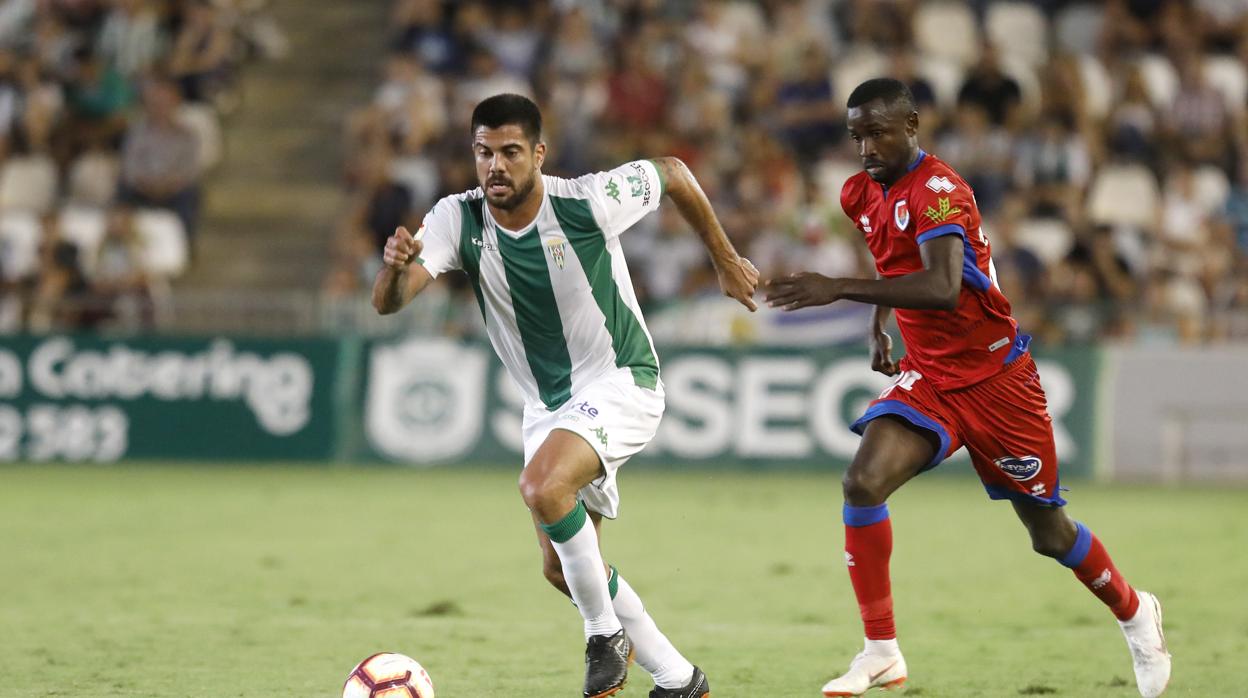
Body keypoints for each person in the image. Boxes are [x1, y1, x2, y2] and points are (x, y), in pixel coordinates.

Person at [763, 79, 1171, 698]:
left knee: (1048, 534)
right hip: (931, 376)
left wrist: (840, 289)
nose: (866, 148)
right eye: (856, 136)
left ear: (912, 124)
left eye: (877, 132)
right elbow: (891, 260)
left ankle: (1136, 612)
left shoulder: (941, 190)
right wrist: (881, 322)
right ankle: (881, 652)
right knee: (862, 481)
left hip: (996, 381)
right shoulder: (859, 192)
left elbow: (942, 287)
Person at [372, 93, 758, 698]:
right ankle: (678, 677)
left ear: (539, 155)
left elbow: (676, 174)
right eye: (483, 153)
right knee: (563, 569)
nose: (494, 166)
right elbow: (389, 303)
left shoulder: (586, 201)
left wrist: (725, 258)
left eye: (509, 152)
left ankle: (603, 636)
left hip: (623, 377)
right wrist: (396, 266)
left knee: (543, 486)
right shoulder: (458, 218)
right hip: (548, 407)